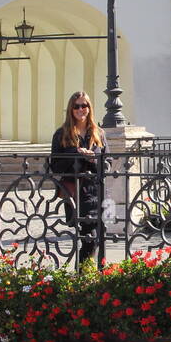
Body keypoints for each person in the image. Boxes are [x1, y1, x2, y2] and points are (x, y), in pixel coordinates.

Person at [49, 91, 105, 265]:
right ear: (71, 110)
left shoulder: (98, 133)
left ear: (90, 108)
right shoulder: (62, 134)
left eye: (84, 105)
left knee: (96, 237)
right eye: (77, 106)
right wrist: (76, 153)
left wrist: (93, 159)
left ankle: (84, 276)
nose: (81, 109)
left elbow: (107, 164)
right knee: (89, 237)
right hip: (75, 192)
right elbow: (55, 165)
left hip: (95, 191)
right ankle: (84, 277)